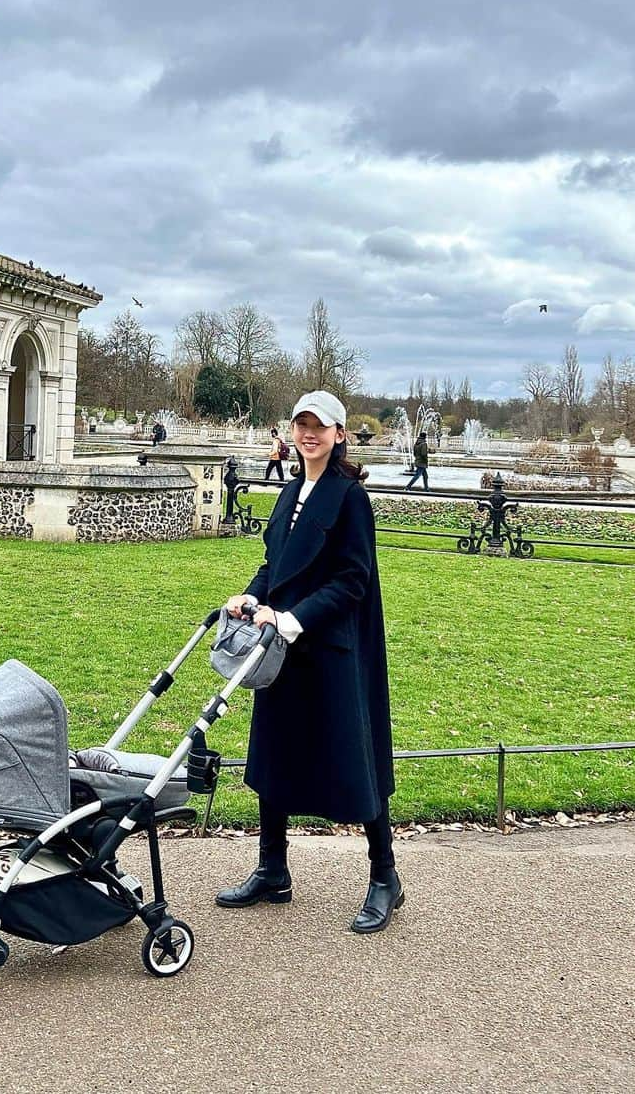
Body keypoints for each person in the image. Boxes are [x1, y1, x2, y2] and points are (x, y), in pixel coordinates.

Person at [215, 390, 401, 934]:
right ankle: (273, 867)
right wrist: (250, 598)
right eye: (301, 425)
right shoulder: (292, 489)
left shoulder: (349, 498)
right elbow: (276, 564)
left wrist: (289, 620)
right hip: (280, 647)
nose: (309, 434)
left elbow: (353, 581)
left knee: (355, 759)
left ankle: (384, 877)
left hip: (330, 649)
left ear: (339, 435)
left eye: (320, 426)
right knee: (274, 754)